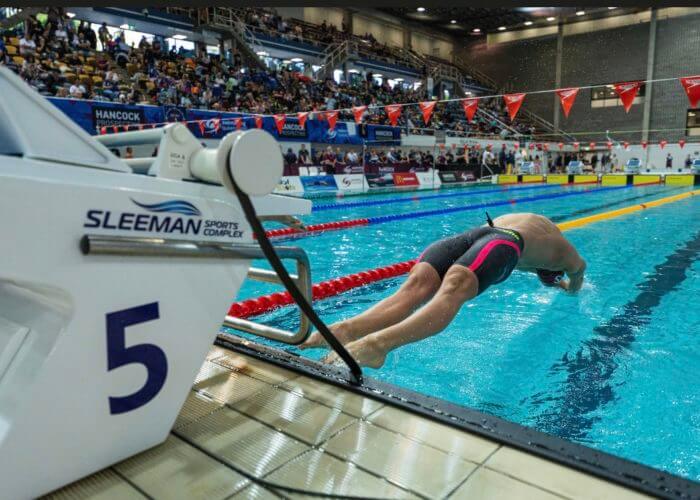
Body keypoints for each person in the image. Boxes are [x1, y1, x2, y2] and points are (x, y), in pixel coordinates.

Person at [305, 212, 586, 368]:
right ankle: (377, 346)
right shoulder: (563, 252)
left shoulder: (537, 224)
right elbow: (579, 271)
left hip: (473, 235)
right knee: (454, 290)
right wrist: (571, 289)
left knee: (414, 288)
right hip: (503, 242)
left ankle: (345, 330)